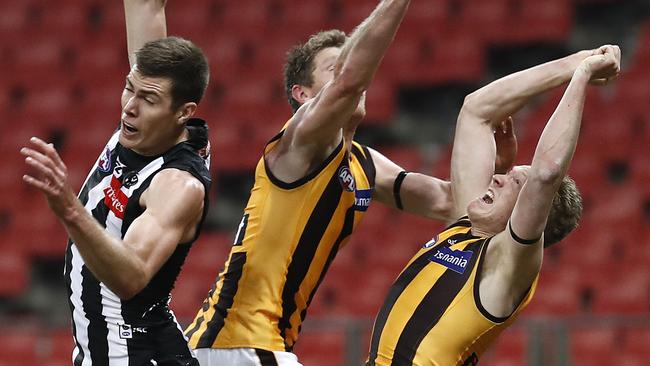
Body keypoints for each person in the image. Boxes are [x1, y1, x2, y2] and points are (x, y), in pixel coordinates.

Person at [365, 45, 621, 366]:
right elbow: (476, 111)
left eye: (513, 182)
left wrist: (582, 77)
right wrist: (573, 62)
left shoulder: (506, 263)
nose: (498, 178)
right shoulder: (465, 229)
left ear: (526, 212)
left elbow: (547, 173)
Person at [20, 0, 211, 364]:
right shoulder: (146, 120)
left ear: (183, 113)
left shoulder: (177, 185)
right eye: (129, 89)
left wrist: (70, 210)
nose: (129, 106)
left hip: (135, 355)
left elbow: (131, 277)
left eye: (148, 99)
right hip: (103, 350)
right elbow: (145, 6)